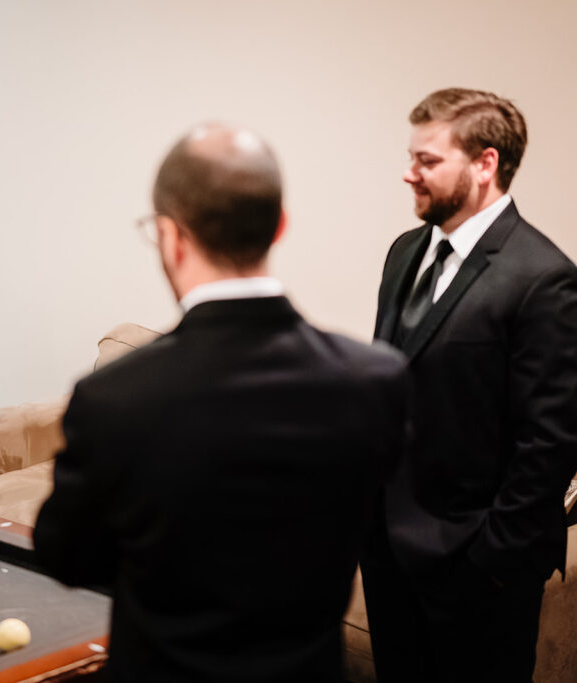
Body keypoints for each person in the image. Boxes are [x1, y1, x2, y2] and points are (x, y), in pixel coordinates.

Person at [33, 123, 409, 682]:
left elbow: (67, 556)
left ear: (170, 236)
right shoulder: (376, 379)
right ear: (279, 226)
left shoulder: (114, 397)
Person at [363, 87, 577, 682]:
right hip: (389, 556)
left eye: (427, 161)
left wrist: (490, 560)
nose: (409, 174)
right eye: (412, 158)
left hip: (477, 567)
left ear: (485, 163)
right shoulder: (404, 253)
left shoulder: (544, 277)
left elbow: (551, 442)